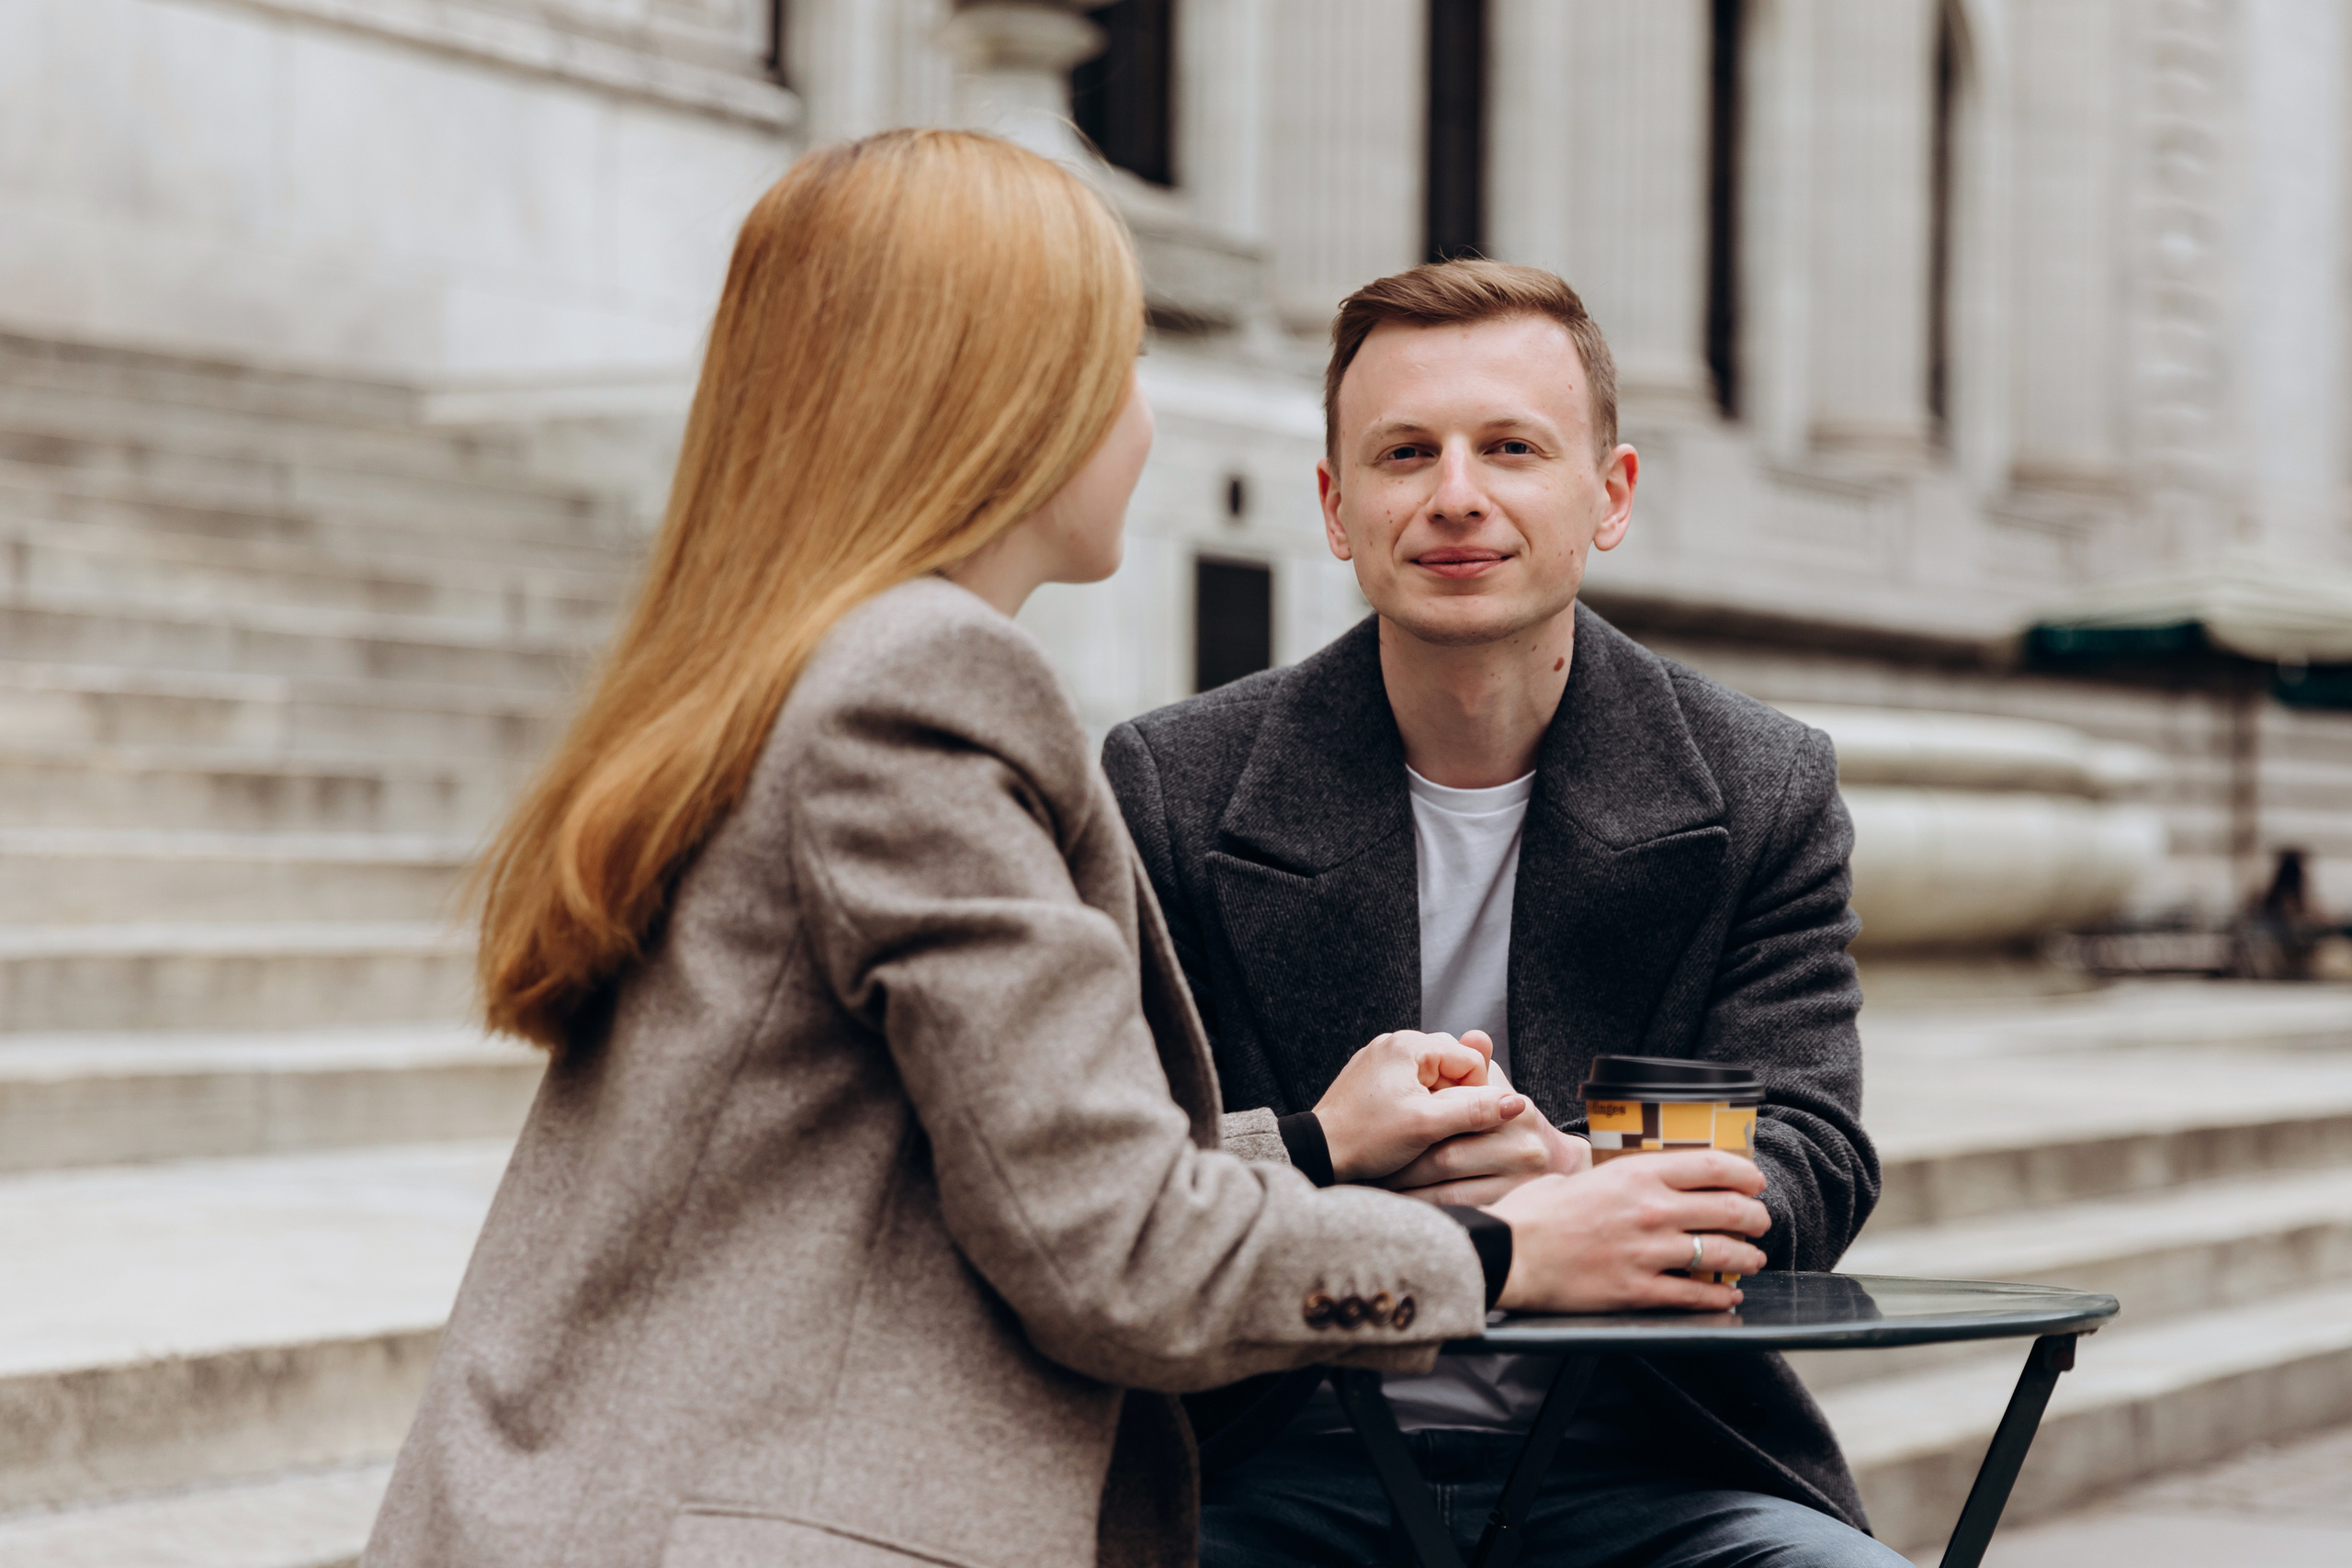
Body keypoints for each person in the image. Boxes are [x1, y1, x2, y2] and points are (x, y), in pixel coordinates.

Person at [360, 138, 1770, 1568]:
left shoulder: (790, 669)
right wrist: (1519, 1253)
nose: (1144, 420)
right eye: (1123, 359)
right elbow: (1120, 1257)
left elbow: (954, 1172)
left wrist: (1320, 1143)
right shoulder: (922, 687)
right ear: (1006, 397)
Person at [1103, 261, 1905, 1566]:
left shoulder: (1762, 782)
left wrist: (1592, 1190)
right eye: (1405, 452)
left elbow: (1815, 1146)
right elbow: (1126, 1177)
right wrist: (1328, 1144)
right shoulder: (1172, 786)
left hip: (1652, 1453)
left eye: (1512, 448)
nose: (1455, 496)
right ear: (1335, 507)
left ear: (1611, 496)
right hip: (1277, 1441)